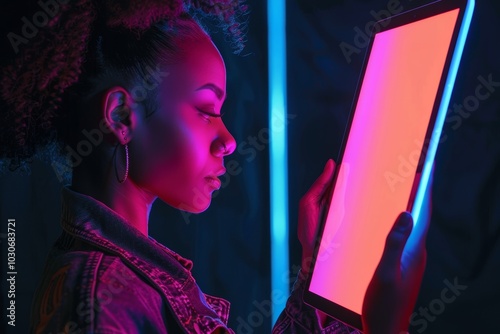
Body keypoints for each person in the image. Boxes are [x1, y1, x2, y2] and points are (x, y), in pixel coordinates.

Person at [0, 0, 427, 333]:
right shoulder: (100, 305)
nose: (229, 140)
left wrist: (319, 267)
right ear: (121, 117)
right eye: (206, 110)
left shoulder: (124, 279)